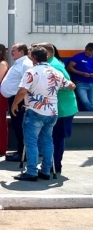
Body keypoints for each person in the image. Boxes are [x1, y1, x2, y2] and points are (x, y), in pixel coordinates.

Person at [11, 45, 75, 181]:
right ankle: (45, 170)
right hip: (52, 112)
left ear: (33, 58)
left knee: (31, 142)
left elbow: (22, 91)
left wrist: (15, 104)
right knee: (47, 141)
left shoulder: (31, 72)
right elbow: (71, 85)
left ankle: (32, 171)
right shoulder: (55, 71)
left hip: (35, 110)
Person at [42, 43, 78, 176]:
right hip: (58, 107)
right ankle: (51, 164)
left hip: (62, 108)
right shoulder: (50, 64)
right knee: (54, 137)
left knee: (57, 138)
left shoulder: (54, 66)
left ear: (46, 53)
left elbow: (69, 85)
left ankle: (55, 165)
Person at [0, 43, 32, 162]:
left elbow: (28, 84)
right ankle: (20, 150)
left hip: (19, 99)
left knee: (20, 126)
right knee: (17, 125)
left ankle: (23, 153)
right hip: (14, 98)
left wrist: (18, 101)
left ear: (22, 51)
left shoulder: (26, 64)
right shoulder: (19, 63)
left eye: (14, 50)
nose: (11, 52)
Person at [67, 43, 93, 111]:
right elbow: (69, 67)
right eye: (86, 49)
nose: (87, 51)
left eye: (90, 50)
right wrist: (82, 73)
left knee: (92, 102)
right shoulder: (78, 56)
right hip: (81, 83)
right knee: (85, 102)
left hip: (92, 83)